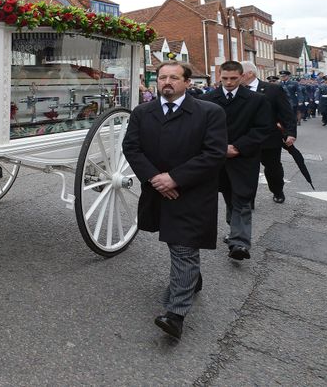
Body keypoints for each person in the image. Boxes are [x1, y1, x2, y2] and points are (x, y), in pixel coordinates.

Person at [122, 61, 227, 340]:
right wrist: (157, 178)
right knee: (178, 243)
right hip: (158, 190)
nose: (167, 82)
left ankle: (175, 315)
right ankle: (192, 278)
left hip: (192, 193)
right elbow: (131, 147)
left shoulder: (209, 112)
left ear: (187, 82)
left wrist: (176, 178)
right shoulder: (143, 113)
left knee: (182, 246)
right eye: (162, 77)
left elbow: (213, 153)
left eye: (174, 78)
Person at [202, 61, 272, 261]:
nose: (229, 82)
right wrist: (219, 147)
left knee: (242, 199)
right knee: (228, 196)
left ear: (242, 77)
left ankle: (240, 243)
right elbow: (202, 128)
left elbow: (262, 128)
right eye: (225, 78)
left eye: (233, 78)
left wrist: (238, 147)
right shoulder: (208, 99)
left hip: (244, 159)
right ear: (219, 76)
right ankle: (234, 230)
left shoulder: (257, 100)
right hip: (217, 158)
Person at [240, 61, 297, 204]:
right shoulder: (236, 90)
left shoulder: (273, 89)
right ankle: (248, 199)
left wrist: (290, 133)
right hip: (244, 138)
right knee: (247, 170)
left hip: (269, 138)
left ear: (249, 74)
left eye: (239, 74)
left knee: (273, 168)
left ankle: (277, 190)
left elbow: (286, 113)